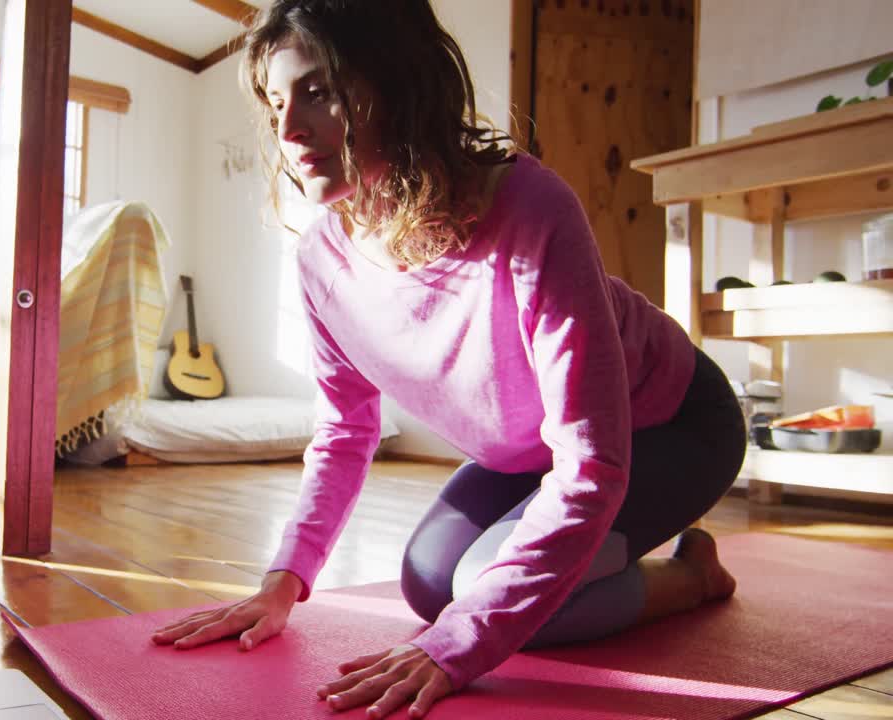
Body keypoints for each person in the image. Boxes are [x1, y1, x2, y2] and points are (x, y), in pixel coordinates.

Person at [151, 1, 746, 717]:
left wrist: (459, 646)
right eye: (276, 102)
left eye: (318, 91)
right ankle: (615, 573)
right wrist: (281, 583)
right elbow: (345, 431)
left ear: (397, 83)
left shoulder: (530, 208)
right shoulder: (320, 261)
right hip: (527, 455)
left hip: (673, 426)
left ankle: (692, 580)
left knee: (487, 599)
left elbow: (592, 466)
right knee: (431, 582)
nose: (288, 130)